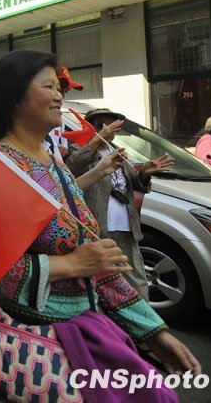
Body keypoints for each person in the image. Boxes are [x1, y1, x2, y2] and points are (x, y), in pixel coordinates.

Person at [0, 49, 199, 379]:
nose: (59, 96)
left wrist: (153, 332)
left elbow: (98, 263)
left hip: (83, 333)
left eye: (59, 88)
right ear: (14, 96)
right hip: (29, 347)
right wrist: (70, 264)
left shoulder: (56, 168)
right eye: (48, 86)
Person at [66, 108, 173, 298]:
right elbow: (72, 167)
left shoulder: (118, 152)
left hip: (126, 226)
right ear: (91, 127)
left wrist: (145, 173)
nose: (108, 130)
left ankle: (144, 321)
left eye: (112, 126)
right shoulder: (80, 148)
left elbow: (134, 182)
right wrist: (96, 140)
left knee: (134, 276)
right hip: (97, 227)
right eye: (101, 125)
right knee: (100, 278)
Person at [44, 66, 83, 162]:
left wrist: (65, 151)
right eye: (57, 89)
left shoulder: (60, 120)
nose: (61, 96)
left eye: (65, 91)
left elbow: (64, 150)